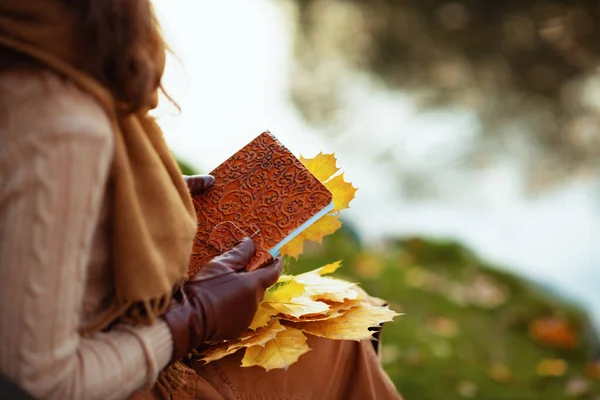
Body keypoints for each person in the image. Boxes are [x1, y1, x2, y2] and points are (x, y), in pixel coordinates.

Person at [0, 1, 402, 399]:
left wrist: (135, 200)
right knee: (336, 335)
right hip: (113, 366)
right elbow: (44, 383)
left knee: (341, 313)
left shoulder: (28, 49)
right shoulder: (61, 123)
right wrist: (193, 318)